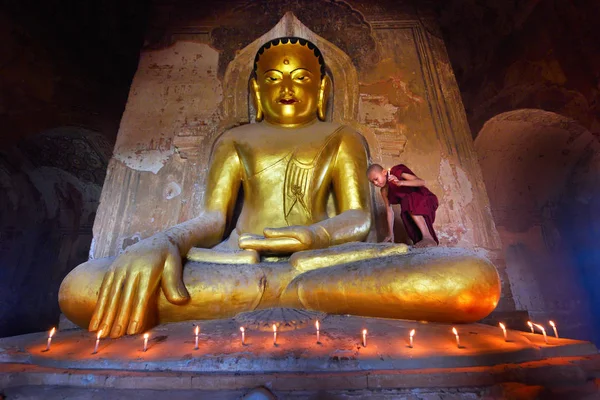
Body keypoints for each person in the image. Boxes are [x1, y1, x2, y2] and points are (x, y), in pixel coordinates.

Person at [59, 37, 500, 339]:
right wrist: (163, 242)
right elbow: (214, 219)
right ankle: (295, 294)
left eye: (301, 78)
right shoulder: (235, 140)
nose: (287, 87)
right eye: (273, 78)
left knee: (469, 278)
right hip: (238, 266)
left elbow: (359, 216)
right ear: (255, 88)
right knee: (84, 287)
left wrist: (314, 236)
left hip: (322, 264)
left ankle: (284, 290)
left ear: (323, 87)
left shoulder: (343, 136)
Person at [367, 163, 439, 248]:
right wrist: (390, 234)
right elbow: (389, 211)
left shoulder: (396, 171)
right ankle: (423, 242)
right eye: (373, 182)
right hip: (410, 208)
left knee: (407, 200)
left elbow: (421, 182)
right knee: (405, 215)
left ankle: (428, 237)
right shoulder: (384, 191)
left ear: (384, 172)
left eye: (376, 179)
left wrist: (401, 183)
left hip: (425, 199)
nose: (376, 183)